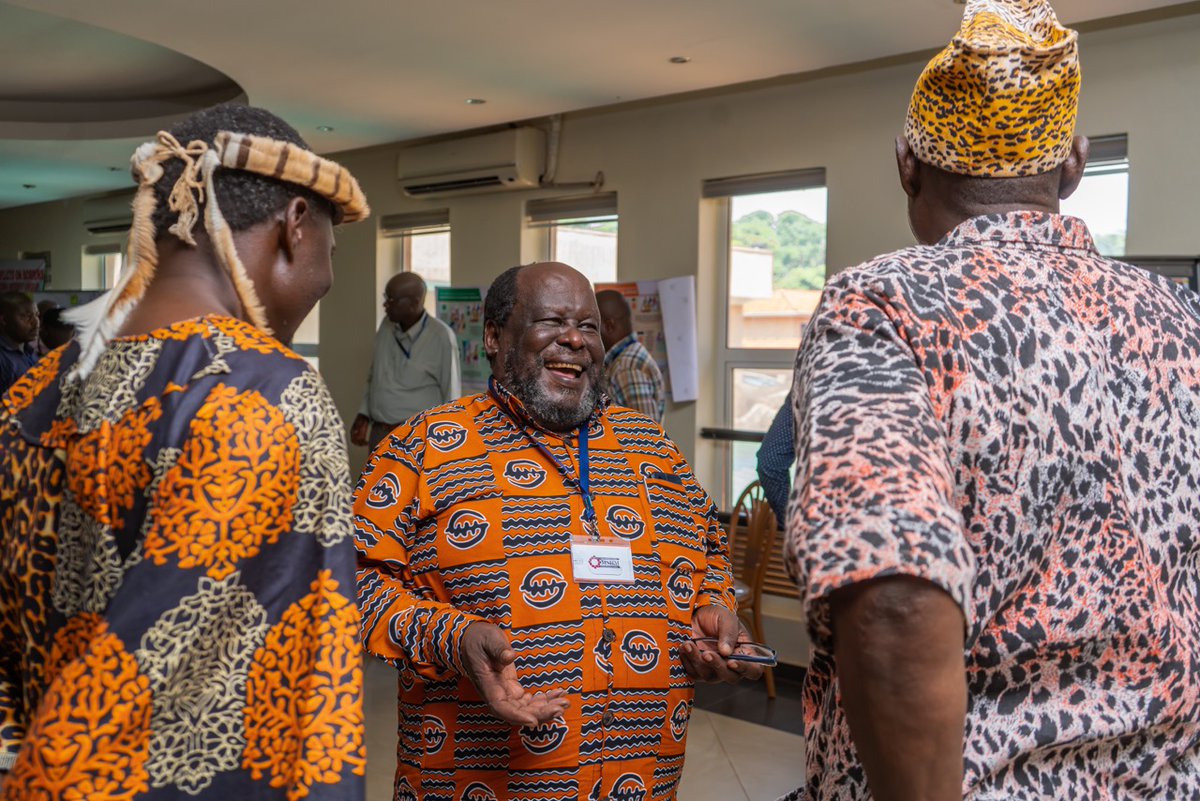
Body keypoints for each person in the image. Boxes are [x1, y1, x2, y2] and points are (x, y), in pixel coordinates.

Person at [783, 1, 1200, 799]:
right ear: (1073, 166)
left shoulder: (881, 308)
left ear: (907, 163)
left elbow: (895, 595)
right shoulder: (1178, 316)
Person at [0, 104, 371, 798]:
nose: (325, 280)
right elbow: (309, 694)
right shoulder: (267, 392)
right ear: (294, 224)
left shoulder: (36, 391)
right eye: (331, 250)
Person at [354, 262, 762, 801]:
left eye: (589, 326)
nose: (574, 339)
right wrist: (453, 638)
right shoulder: (423, 448)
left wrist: (711, 611)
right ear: (495, 336)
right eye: (550, 320)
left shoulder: (654, 450)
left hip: (641, 778)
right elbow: (351, 581)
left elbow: (709, 554)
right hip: (478, 781)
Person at [351, 271, 461, 451]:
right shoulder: (386, 326)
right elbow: (374, 375)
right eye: (386, 297)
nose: (385, 304)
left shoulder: (441, 337)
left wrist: (446, 445)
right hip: (380, 434)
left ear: (414, 303)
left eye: (392, 300)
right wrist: (364, 413)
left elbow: (451, 395)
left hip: (416, 438)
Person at [596, 289, 665, 423]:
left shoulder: (627, 367)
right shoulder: (624, 359)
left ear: (609, 326)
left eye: (591, 326)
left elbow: (646, 436)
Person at [755, 391, 794, 526]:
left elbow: (771, 459)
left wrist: (791, 521)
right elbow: (771, 459)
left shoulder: (810, 374)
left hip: (815, 522)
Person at [0, 292, 38, 393]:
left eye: (36, 315)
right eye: (26, 317)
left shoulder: (28, 351)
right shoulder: (3, 358)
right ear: (4, 320)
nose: (35, 322)